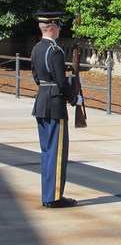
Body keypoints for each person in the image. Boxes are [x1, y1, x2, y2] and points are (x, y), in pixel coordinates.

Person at [31, 12, 82, 208]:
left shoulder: (37, 49)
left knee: (47, 152)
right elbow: (60, 81)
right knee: (57, 152)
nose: (60, 28)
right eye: (59, 25)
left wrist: (67, 81)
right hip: (54, 106)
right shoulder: (55, 50)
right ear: (51, 27)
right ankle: (53, 198)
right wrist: (73, 98)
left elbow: (39, 78)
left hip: (41, 102)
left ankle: (48, 195)